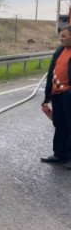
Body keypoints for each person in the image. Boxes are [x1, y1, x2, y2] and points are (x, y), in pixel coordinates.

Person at [40, 24, 71, 169]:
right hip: (57, 94)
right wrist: (47, 95)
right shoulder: (60, 50)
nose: (61, 39)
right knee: (59, 124)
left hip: (68, 94)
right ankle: (59, 155)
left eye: (64, 36)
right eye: (60, 36)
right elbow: (52, 70)